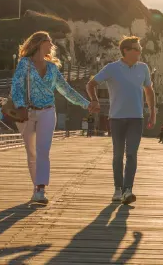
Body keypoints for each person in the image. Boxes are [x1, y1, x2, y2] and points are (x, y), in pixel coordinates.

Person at [11, 31, 98, 204]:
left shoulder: (52, 68)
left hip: (48, 112)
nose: (52, 46)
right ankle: (36, 186)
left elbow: (66, 89)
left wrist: (85, 104)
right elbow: (16, 87)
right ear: (39, 43)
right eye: (49, 42)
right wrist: (20, 106)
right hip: (26, 112)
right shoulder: (24, 64)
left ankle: (40, 189)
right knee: (32, 153)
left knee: (43, 151)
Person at [87, 36, 155, 205]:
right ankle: (118, 189)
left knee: (131, 154)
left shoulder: (143, 68)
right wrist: (94, 100)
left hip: (136, 118)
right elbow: (91, 84)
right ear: (126, 50)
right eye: (136, 48)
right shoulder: (112, 68)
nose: (140, 51)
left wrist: (152, 113)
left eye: (140, 48)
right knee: (118, 155)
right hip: (116, 118)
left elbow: (149, 90)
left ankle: (128, 190)